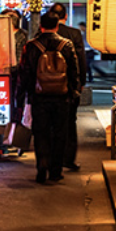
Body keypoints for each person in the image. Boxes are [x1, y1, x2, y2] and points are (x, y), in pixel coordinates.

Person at [21, 12, 79, 183]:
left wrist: (24, 95)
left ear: (41, 26)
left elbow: (26, 73)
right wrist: (74, 92)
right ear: (56, 26)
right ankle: (55, 171)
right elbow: (74, 71)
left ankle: (42, 166)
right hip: (61, 97)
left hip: (39, 98)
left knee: (41, 133)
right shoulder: (66, 45)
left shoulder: (32, 46)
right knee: (60, 133)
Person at [50, 2, 87, 171]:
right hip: (68, 88)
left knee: (49, 125)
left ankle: (50, 159)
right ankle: (68, 158)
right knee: (69, 123)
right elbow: (80, 61)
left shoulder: (40, 35)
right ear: (65, 16)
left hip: (45, 90)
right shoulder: (74, 34)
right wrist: (80, 84)